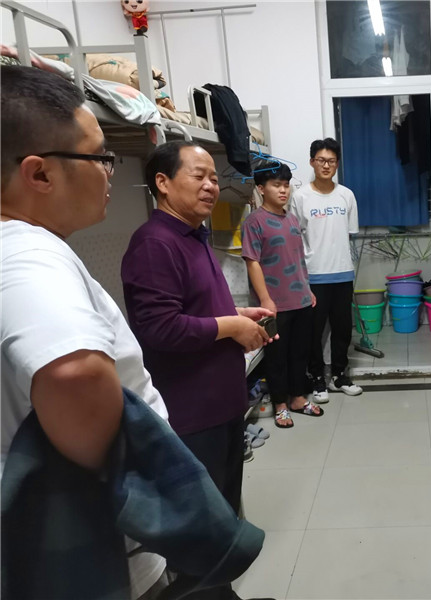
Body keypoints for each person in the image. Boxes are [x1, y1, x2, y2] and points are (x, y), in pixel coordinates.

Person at [0, 65, 169, 599]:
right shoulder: (29, 256)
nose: (109, 171)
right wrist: (122, 487)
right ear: (39, 174)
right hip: (98, 555)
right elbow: (73, 373)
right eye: (98, 157)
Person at [121, 141, 273, 600]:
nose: (211, 186)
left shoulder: (193, 235)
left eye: (213, 177)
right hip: (191, 415)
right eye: (198, 175)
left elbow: (194, 309)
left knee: (221, 517)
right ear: (163, 183)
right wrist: (230, 326)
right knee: (200, 529)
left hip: (221, 407)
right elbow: (159, 329)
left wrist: (237, 314)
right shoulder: (155, 244)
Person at [242, 162, 323, 428]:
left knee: (300, 353)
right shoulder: (254, 222)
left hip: (301, 299)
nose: (283, 190)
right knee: (277, 357)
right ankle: (280, 405)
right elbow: (252, 261)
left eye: (286, 185)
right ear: (261, 188)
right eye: (276, 185)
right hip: (274, 305)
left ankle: (298, 399)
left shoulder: (291, 219)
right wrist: (265, 300)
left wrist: (307, 289)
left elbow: (298, 259)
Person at [290, 138, 362, 402]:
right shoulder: (300, 197)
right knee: (313, 331)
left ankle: (340, 375)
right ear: (312, 162)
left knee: (343, 329)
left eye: (331, 161)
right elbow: (295, 238)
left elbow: (349, 233)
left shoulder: (346, 195)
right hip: (314, 276)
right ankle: (317, 378)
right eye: (321, 160)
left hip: (343, 273)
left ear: (337, 164)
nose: (326, 165)